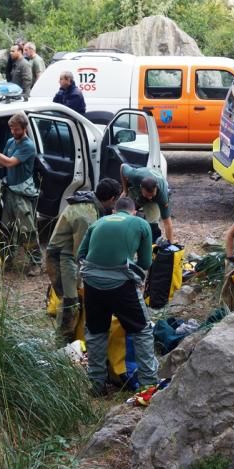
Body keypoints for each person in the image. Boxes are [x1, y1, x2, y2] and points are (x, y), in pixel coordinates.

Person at [78, 196, 157, 395]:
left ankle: (96, 385)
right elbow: (146, 262)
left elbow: (80, 255)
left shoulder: (98, 222)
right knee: (141, 331)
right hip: (121, 285)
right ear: (134, 211)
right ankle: (148, 384)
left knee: (96, 333)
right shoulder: (140, 223)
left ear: (114, 210)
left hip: (92, 285)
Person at [46, 178, 121, 342]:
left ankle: (71, 336)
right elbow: (83, 253)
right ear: (112, 199)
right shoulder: (86, 217)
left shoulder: (92, 205)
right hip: (61, 258)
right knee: (70, 303)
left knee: (75, 297)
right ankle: (61, 343)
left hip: (68, 255)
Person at [0, 112, 42, 275]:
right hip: (9, 190)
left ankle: (36, 262)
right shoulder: (10, 142)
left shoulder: (27, 146)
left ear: (24, 128)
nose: (13, 132)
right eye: (11, 129)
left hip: (22, 192)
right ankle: (7, 260)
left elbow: (10, 162)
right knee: (6, 228)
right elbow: (2, 164)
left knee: (27, 229)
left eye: (16, 129)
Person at [120, 163, 173, 242]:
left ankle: (151, 243)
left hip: (156, 197)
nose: (149, 198)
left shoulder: (162, 196)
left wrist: (171, 243)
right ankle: (124, 237)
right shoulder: (134, 176)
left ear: (156, 188)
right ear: (141, 188)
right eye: (147, 195)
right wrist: (125, 190)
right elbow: (122, 166)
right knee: (124, 211)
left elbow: (167, 222)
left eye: (152, 195)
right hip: (136, 189)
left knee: (152, 222)